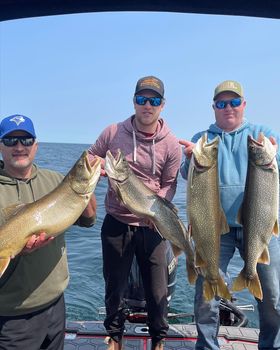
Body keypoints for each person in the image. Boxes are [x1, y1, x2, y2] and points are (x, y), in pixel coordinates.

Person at [180, 80, 280, 350]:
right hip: (215, 229)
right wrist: (190, 159)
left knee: (271, 295)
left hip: (257, 227)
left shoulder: (262, 134)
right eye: (222, 104)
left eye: (234, 102)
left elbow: (275, 166)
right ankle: (207, 345)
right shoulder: (202, 139)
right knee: (206, 293)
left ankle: (271, 345)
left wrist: (273, 152)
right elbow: (183, 173)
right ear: (213, 108)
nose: (228, 108)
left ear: (244, 105)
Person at [88, 76, 182, 350]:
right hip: (117, 222)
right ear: (134, 101)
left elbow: (170, 184)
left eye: (154, 100)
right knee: (114, 286)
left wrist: (155, 211)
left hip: (152, 226)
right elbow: (92, 156)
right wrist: (97, 167)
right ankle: (115, 337)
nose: (147, 105)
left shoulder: (172, 144)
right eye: (142, 99)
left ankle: (159, 340)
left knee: (157, 290)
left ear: (162, 105)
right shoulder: (113, 132)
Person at [0, 114, 97, 350]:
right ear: (0, 146)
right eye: (11, 140)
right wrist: (20, 250)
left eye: (26, 140)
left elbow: (89, 219)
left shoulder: (55, 180)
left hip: (55, 305)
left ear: (36, 145)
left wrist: (89, 185)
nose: (19, 147)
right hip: (13, 318)